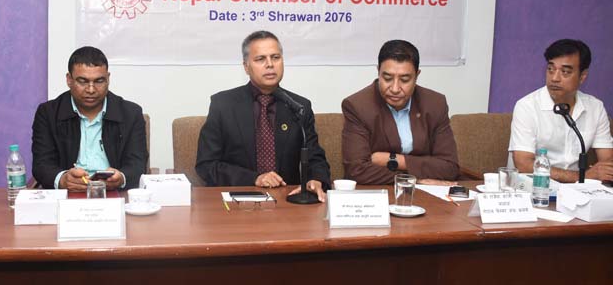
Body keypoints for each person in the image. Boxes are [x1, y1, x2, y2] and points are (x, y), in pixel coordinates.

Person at [196, 31, 331, 201]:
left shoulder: (299, 106)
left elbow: (315, 158)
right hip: (237, 199)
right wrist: (254, 178)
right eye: (260, 59)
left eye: (275, 57)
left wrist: (316, 179)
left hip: (287, 201)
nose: (270, 64)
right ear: (246, 66)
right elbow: (206, 164)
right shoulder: (223, 105)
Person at [342, 40, 460, 185]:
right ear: (378, 71)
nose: (395, 88)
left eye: (404, 80)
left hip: (429, 194)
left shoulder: (435, 104)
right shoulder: (357, 106)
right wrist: (415, 180)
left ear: (417, 75)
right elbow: (356, 171)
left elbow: (449, 167)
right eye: (387, 78)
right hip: (382, 192)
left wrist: (393, 160)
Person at [31, 46, 147, 192]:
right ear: (69, 79)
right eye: (83, 81)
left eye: (99, 81)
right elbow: (41, 164)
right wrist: (62, 179)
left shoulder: (131, 113)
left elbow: (137, 164)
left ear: (108, 79)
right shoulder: (48, 114)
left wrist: (121, 178)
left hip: (114, 193)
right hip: (68, 194)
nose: (91, 89)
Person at [508, 39, 613, 183]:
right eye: (550, 69)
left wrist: (597, 175)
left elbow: (607, 162)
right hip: (534, 187)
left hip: (577, 191)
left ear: (582, 76)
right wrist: (582, 177)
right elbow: (524, 164)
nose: (554, 78)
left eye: (565, 72)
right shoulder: (527, 106)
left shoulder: (595, 107)